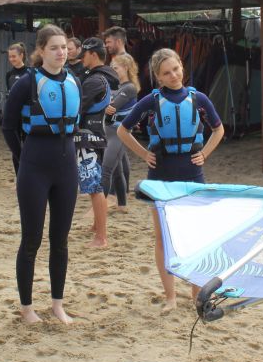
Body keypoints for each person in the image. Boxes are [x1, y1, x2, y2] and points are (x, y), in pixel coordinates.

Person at [117, 48, 224, 310]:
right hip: (160, 177)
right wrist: (144, 154)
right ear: (158, 77)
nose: (173, 75)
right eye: (166, 73)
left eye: (176, 69)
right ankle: (170, 297)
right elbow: (122, 130)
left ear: (182, 67)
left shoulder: (198, 98)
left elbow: (218, 129)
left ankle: (196, 294)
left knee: (196, 237)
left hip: (192, 175)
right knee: (163, 238)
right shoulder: (151, 101)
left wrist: (205, 154)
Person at [2, 25, 81, 324]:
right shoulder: (27, 82)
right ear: (41, 50)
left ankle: (57, 304)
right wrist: (22, 157)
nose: (61, 52)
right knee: (31, 239)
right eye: (54, 48)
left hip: (66, 166)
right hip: (34, 166)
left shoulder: (73, 80)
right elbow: (8, 126)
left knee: (60, 239)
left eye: (64, 47)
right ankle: (27, 308)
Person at [76, 38, 119, 248]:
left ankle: (101, 237)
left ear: (93, 54)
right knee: (95, 183)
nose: (81, 59)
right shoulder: (106, 77)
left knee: (93, 186)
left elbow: (78, 107)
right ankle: (96, 225)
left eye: (83, 55)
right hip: (98, 134)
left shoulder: (94, 80)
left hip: (89, 136)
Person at [102, 53, 139, 211]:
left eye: (115, 67)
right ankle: (122, 205)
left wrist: (102, 104)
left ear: (126, 68)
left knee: (105, 170)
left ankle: (99, 207)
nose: (112, 70)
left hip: (118, 134)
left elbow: (112, 107)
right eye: (111, 67)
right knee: (117, 171)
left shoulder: (129, 88)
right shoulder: (115, 87)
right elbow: (105, 106)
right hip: (108, 132)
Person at [4, 43, 28, 175]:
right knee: (15, 147)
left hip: (27, 116)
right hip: (14, 116)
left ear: (21, 55)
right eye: (10, 57)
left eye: (14, 56)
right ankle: (19, 175)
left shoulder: (30, 72)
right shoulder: (9, 74)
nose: (11, 59)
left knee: (29, 146)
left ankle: (29, 173)